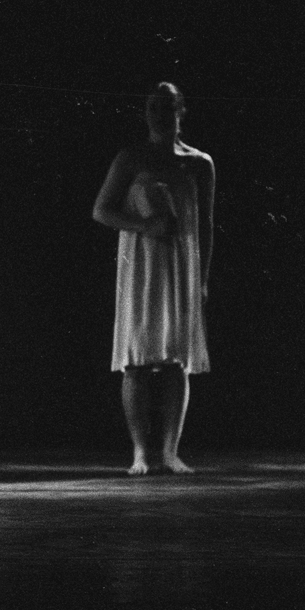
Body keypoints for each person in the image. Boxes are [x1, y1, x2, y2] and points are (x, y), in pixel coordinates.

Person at [92, 82, 213, 475]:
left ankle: (171, 451)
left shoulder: (199, 162)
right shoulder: (131, 157)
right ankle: (141, 453)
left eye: (167, 107)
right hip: (141, 266)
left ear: (181, 111)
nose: (159, 115)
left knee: (177, 360)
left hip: (181, 267)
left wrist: (204, 278)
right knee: (137, 360)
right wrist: (144, 225)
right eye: (152, 108)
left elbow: (207, 224)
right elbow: (102, 210)